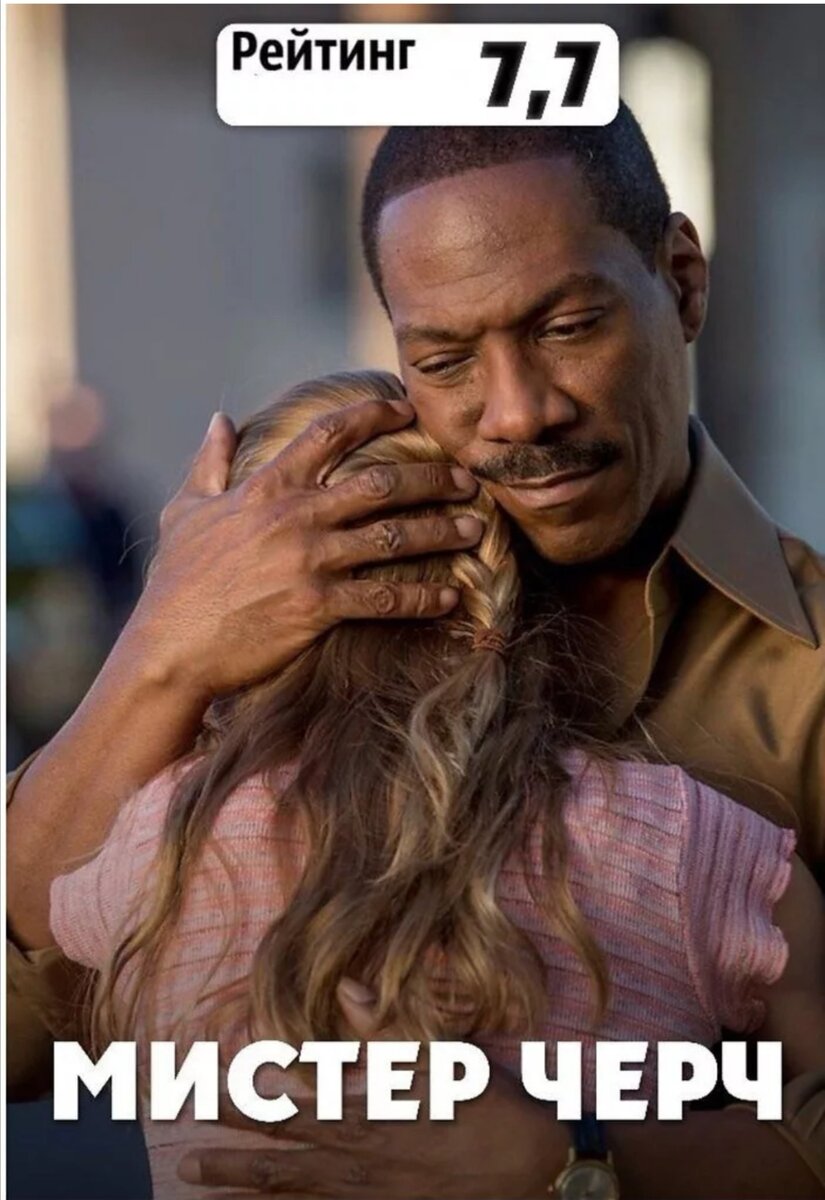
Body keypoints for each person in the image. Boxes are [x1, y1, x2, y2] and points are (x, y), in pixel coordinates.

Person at [7, 109, 825, 1195]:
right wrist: (161, 653)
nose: (518, 413)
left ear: (681, 281)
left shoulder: (803, 692)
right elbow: (23, 1042)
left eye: (567, 327)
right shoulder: (272, 644)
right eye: (444, 359)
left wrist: (581, 1161)